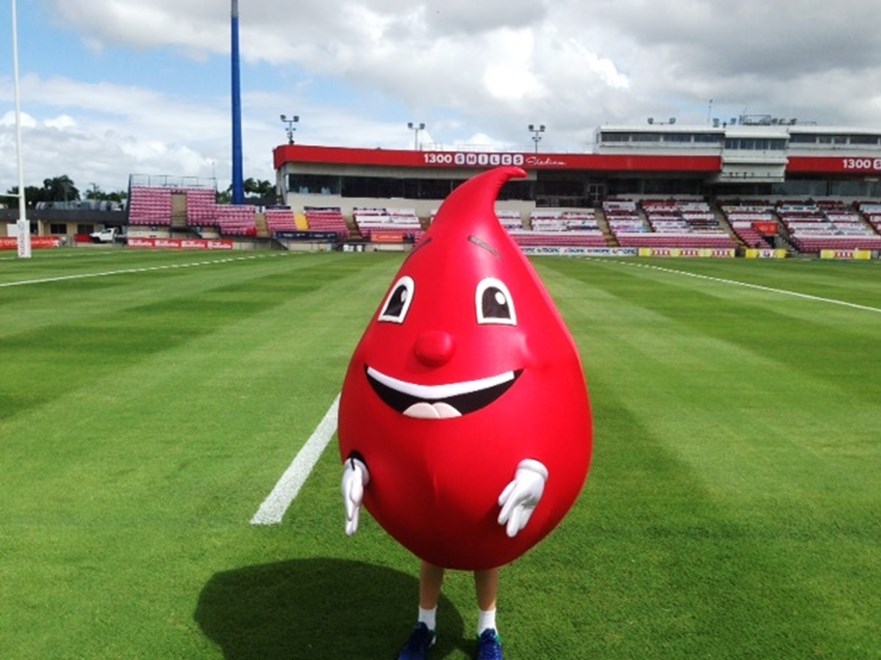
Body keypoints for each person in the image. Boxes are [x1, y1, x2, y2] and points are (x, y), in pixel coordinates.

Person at [342, 455, 547, 660]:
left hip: (484, 473)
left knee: (485, 552)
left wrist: (536, 470)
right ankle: (425, 626)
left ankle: (488, 630)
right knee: (432, 549)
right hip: (435, 475)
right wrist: (357, 466)